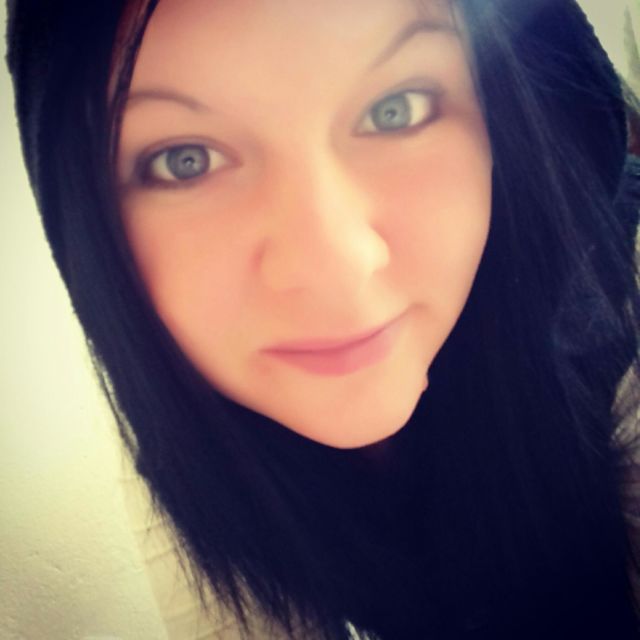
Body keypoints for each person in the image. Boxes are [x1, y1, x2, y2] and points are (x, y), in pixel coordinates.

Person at [6, 0, 640, 638]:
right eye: (186, 159)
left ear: (495, 117)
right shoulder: (176, 436)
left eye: (396, 109)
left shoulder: (621, 326)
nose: (336, 268)